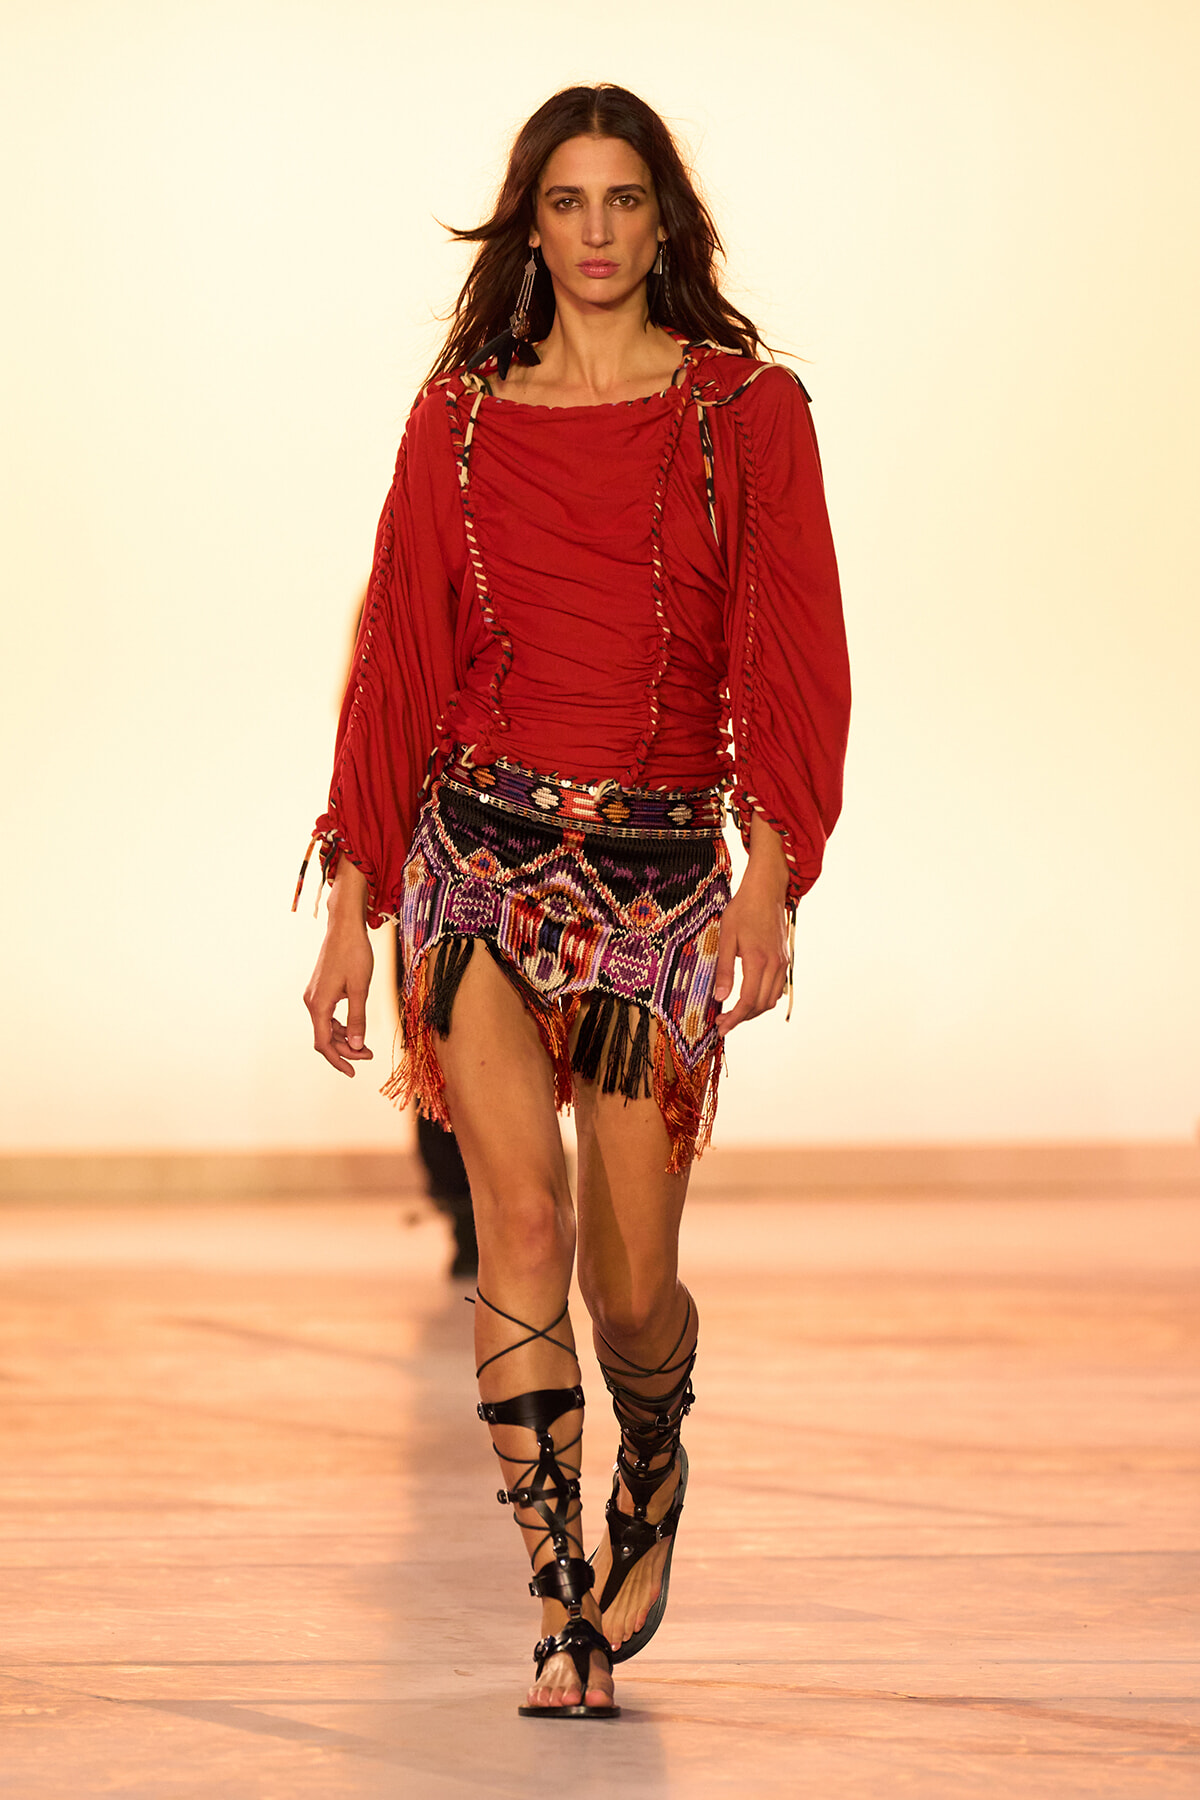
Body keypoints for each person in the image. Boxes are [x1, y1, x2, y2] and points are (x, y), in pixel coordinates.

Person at [299, 83, 849, 1720]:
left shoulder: (748, 414)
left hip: (663, 887)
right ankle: (557, 1602)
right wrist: (353, 902)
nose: (597, 233)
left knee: (627, 1282)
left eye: (623, 202)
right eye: (566, 202)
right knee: (517, 1227)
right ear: (527, 226)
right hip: (476, 857)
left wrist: (773, 879)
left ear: (664, 221)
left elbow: (793, 646)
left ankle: (654, 1458)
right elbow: (399, 656)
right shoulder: (456, 420)